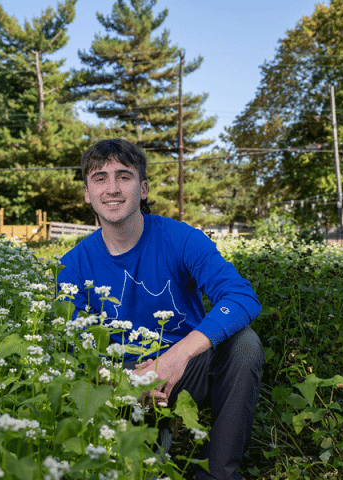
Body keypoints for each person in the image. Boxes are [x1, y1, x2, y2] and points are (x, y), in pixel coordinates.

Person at [57, 138, 264, 480]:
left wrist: (176, 356)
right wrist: (124, 383)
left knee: (245, 345)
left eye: (124, 177)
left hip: (186, 372)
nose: (113, 189)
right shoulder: (72, 265)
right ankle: (144, 446)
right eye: (100, 178)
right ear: (86, 193)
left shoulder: (181, 238)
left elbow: (241, 297)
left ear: (143, 188)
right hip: (117, 386)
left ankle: (218, 473)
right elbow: (75, 349)